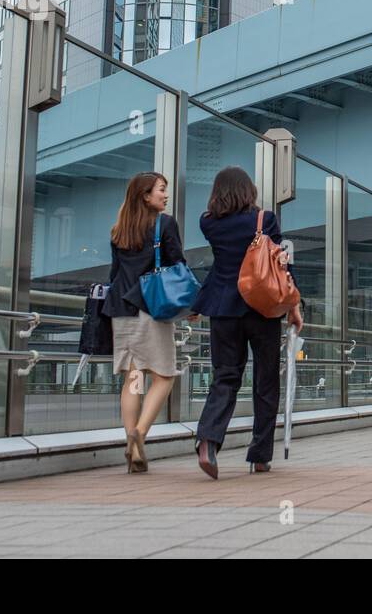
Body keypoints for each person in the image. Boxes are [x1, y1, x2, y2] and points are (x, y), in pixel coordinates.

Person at [192, 166, 303, 479]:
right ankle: (259, 456)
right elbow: (282, 265)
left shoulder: (208, 223)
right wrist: (294, 306)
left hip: (223, 309)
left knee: (225, 377)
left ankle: (208, 440)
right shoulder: (264, 220)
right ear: (248, 190)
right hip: (262, 308)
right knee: (266, 380)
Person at [103, 171, 184, 474]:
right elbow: (177, 264)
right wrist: (190, 303)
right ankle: (140, 432)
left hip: (120, 310)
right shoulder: (164, 224)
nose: (165, 195)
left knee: (133, 379)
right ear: (145, 196)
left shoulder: (118, 229)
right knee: (164, 376)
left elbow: (113, 275)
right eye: (161, 190)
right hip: (151, 307)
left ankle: (129, 441)